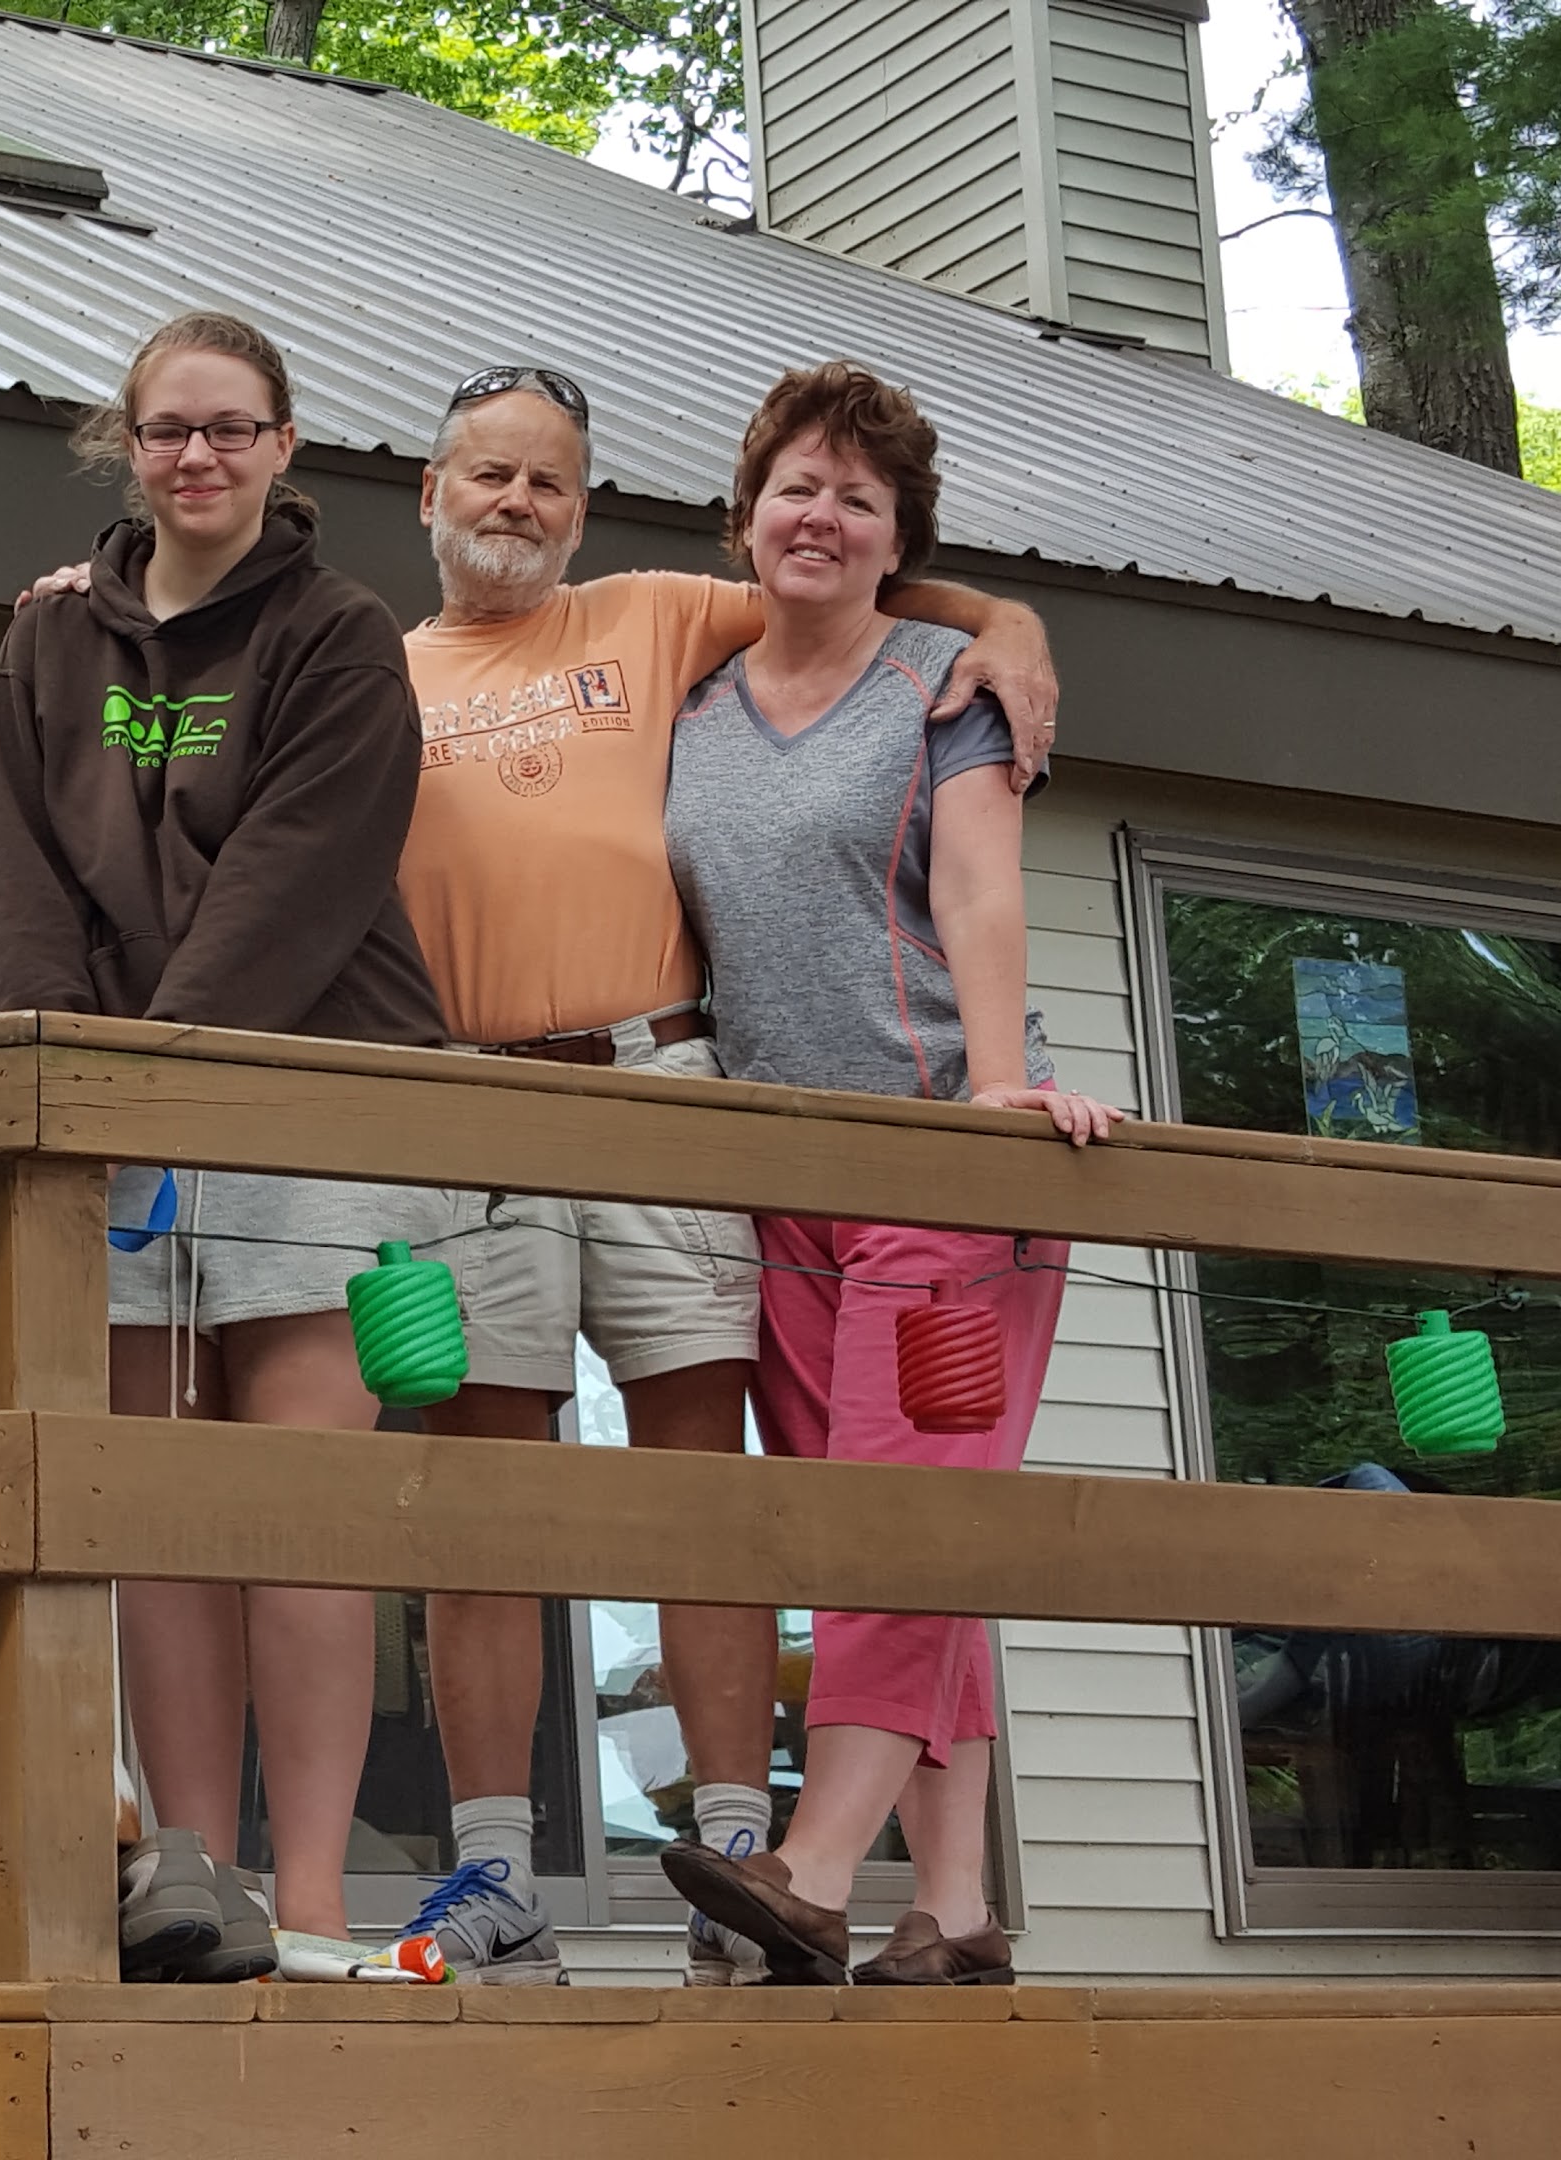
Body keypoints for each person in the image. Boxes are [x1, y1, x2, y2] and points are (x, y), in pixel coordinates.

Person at [386, 362, 1064, 1987]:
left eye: (549, 480)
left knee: (723, 1493)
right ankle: (499, 1876)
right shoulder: (370, 664)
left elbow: (851, 570)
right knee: (494, 1492)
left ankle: (747, 1863)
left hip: (680, 1084)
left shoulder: (661, 622)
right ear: (428, 492)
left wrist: (1013, 625)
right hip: (477, 1100)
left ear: (588, 507)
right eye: (488, 475)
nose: (516, 504)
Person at [0, 310, 438, 1983]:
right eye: (170, 429)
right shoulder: (47, 647)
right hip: (113, 1110)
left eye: (232, 430)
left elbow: (297, 879)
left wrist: (150, 1069)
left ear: (283, 447)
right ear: (129, 441)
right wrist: (65, 1085)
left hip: (299, 1083)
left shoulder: (340, 634)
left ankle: (313, 1898)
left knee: (294, 1496)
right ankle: (193, 1873)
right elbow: (21, 882)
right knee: (158, 1497)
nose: (199, 458)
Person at [653, 361, 1122, 1989]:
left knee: (897, 1534)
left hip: (938, 1161)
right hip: (787, 1185)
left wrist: (994, 1099)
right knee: (915, 1544)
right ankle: (962, 1910)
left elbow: (982, 892)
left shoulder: (949, 682)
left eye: (859, 496)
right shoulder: (695, 703)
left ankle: (816, 1867)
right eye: (797, 484)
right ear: (747, 514)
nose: (821, 514)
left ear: (898, 537)